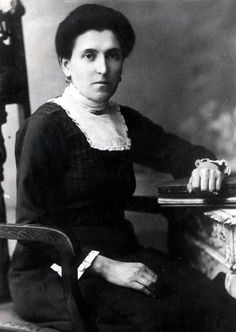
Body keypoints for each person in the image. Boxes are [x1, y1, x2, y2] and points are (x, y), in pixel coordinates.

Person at [9, 4, 232, 332]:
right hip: (54, 270)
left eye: (112, 55)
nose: (102, 68)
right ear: (66, 65)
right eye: (89, 56)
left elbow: (181, 152)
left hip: (124, 254)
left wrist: (207, 166)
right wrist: (105, 266)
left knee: (214, 300)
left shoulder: (123, 120)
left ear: (121, 65)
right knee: (153, 320)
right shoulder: (46, 126)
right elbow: (32, 228)